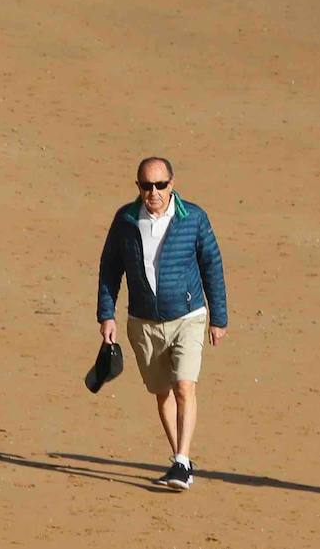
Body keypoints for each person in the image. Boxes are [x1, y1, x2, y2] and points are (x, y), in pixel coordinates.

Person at [97, 157, 228, 491]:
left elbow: (212, 264)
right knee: (161, 392)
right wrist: (106, 315)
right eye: (146, 185)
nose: (153, 192)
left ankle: (182, 461)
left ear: (172, 183)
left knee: (185, 386)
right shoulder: (126, 220)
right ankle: (179, 459)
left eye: (160, 185)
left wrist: (219, 318)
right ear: (138, 186)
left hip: (189, 316)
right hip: (143, 322)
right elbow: (110, 268)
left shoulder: (194, 218)